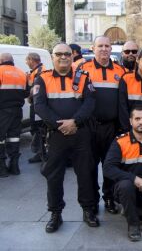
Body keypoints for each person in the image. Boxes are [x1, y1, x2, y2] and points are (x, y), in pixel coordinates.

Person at [33, 43, 98, 232]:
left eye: (67, 54)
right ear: (52, 57)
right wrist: (60, 125)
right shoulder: (42, 79)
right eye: (59, 54)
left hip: (80, 134)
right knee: (54, 176)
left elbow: (90, 102)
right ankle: (55, 214)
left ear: (72, 56)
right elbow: (40, 106)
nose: (63, 57)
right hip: (56, 136)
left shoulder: (83, 77)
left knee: (85, 174)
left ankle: (87, 210)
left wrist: (75, 122)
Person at [103, 107, 142, 241]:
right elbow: (108, 168)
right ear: (131, 121)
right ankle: (133, 224)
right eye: (137, 119)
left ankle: (131, 209)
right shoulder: (120, 141)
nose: (141, 122)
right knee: (126, 186)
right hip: (124, 186)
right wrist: (134, 179)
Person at [80, 35, 126, 215]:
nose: (104, 49)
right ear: (93, 48)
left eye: (107, 46)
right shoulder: (83, 69)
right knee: (89, 167)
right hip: (89, 128)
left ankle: (109, 198)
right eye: (100, 46)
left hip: (111, 128)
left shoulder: (120, 70)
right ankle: (91, 203)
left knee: (110, 165)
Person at [0, 53, 28, 176]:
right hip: (17, 110)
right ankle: (14, 166)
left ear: (1, 60)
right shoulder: (21, 73)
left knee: (0, 138)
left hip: (2, 111)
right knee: (14, 137)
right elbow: (27, 93)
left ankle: (2, 169)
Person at [25, 52, 46, 164]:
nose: (26, 62)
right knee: (36, 129)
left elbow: (37, 86)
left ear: (32, 60)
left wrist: (29, 96)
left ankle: (41, 154)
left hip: (38, 105)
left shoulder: (40, 71)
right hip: (36, 104)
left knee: (38, 129)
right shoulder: (34, 71)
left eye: (27, 60)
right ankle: (41, 153)